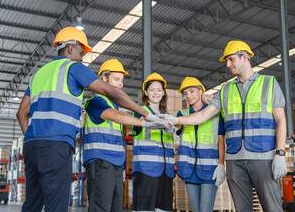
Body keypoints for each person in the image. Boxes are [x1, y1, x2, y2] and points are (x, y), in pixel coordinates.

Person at [16, 27, 167, 212]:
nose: (82, 57)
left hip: (31, 146)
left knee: (32, 202)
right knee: (56, 204)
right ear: (70, 48)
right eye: (81, 52)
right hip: (57, 144)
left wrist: (31, 137)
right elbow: (111, 92)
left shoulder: (38, 74)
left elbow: (21, 113)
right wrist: (147, 115)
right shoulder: (72, 67)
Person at [159, 41, 288, 212]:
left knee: (272, 208)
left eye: (231, 60)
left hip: (263, 157)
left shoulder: (269, 83)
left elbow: (281, 120)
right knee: (242, 209)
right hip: (235, 160)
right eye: (227, 61)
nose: (228, 65)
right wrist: (175, 120)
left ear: (245, 57)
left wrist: (280, 153)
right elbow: (203, 115)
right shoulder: (225, 90)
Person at [83, 59, 168, 212]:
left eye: (122, 80)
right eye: (116, 79)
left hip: (115, 164)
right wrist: (144, 122)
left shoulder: (115, 105)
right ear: (104, 79)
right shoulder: (95, 102)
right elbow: (114, 116)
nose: (120, 84)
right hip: (101, 161)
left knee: (116, 208)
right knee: (100, 208)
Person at [176, 77, 225, 212]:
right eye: (185, 93)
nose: (188, 96)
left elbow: (221, 140)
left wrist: (221, 165)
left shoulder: (215, 114)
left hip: (209, 170)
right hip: (189, 170)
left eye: (191, 91)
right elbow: (174, 127)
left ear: (200, 91)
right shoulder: (182, 114)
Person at [132, 73, 175, 212]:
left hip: (166, 172)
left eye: (159, 90)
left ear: (163, 92)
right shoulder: (139, 112)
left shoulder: (168, 116)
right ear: (145, 92)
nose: (155, 93)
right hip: (146, 171)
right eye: (152, 89)